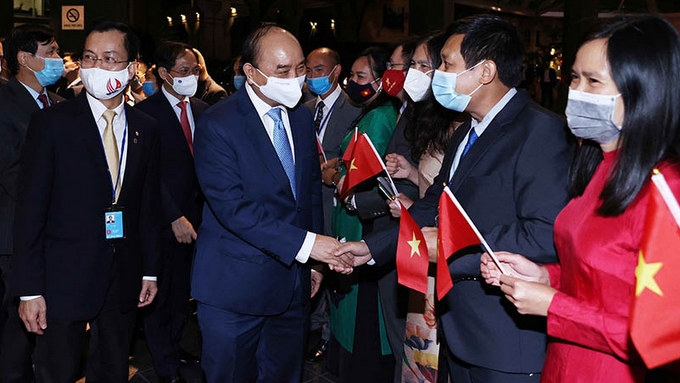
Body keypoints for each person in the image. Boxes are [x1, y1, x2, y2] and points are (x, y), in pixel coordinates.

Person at [338, 15, 573, 382]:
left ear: (485, 71)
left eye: (447, 64)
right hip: (458, 330)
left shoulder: (539, 131)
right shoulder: (467, 131)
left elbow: (543, 235)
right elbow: (435, 204)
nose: (438, 76)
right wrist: (372, 248)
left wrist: (448, 248)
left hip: (505, 340)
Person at [480, 15, 680, 383]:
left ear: (642, 91)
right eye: (574, 77)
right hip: (564, 363)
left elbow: (666, 334)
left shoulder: (666, 189)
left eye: (593, 81)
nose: (577, 92)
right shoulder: (598, 166)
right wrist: (545, 276)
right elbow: (598, 276)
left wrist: (555, 306)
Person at [191, 23, 353, 383]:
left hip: (292, 286)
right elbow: (232, 208)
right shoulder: (218, 123)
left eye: (301, 69)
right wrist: (312, 246)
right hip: (234, 291)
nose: (296, 79)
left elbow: (308, 193)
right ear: (251, 72)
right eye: (283, 71)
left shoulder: (299, 117)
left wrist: (313, 265)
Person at [11, 20, 161, 382]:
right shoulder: (52, 123)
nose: (96, 68)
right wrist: (29, 289)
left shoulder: (146, 127)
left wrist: (149, 270)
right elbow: (30, 210)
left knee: (111, 370)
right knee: (57, 371)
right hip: (62, 279)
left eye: (110, 59)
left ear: (131, 67)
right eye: (90, 58)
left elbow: (148, 207)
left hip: (122, 276)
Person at [136, 41, 209, 383]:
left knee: (184, 292)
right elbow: (147, 173)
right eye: (183, 71)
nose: (191, 77)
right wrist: (172, 215)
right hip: (163, 220)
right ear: (164, 73)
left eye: (194, 71)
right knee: (160, 292)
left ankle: (177, 347)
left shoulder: (204, 109)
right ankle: (163, 363)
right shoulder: (145, 113)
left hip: (201, 218)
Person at [328, 46, 401, 383]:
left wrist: (343, 180)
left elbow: (376, 176)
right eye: (352, 76)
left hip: (367, 226)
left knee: (364, 319)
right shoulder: (368, 111)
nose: (354, 84)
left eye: (361, 77)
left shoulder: (382, 115)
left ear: (382, 79)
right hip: (351, 219)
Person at [0, 24, 65, 383]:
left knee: (47, 326)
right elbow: (12, 172)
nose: (58, 60)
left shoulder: (58, 105)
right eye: (51, 52)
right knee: (17, 327)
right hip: (16, 236)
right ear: (25, 58)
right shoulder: (4, 103)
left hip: (56, 236)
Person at [303, 46, 361, 361]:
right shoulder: (304, 107)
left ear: (336, 72)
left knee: (335, 268)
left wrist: (338, 168)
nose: (313, 77)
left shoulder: (354, 109)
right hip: (311, 201)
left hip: (338, 203)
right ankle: (313, 325)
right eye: (308, 71)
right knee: (312, 265)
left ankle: (329, 335)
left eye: (319, 70)